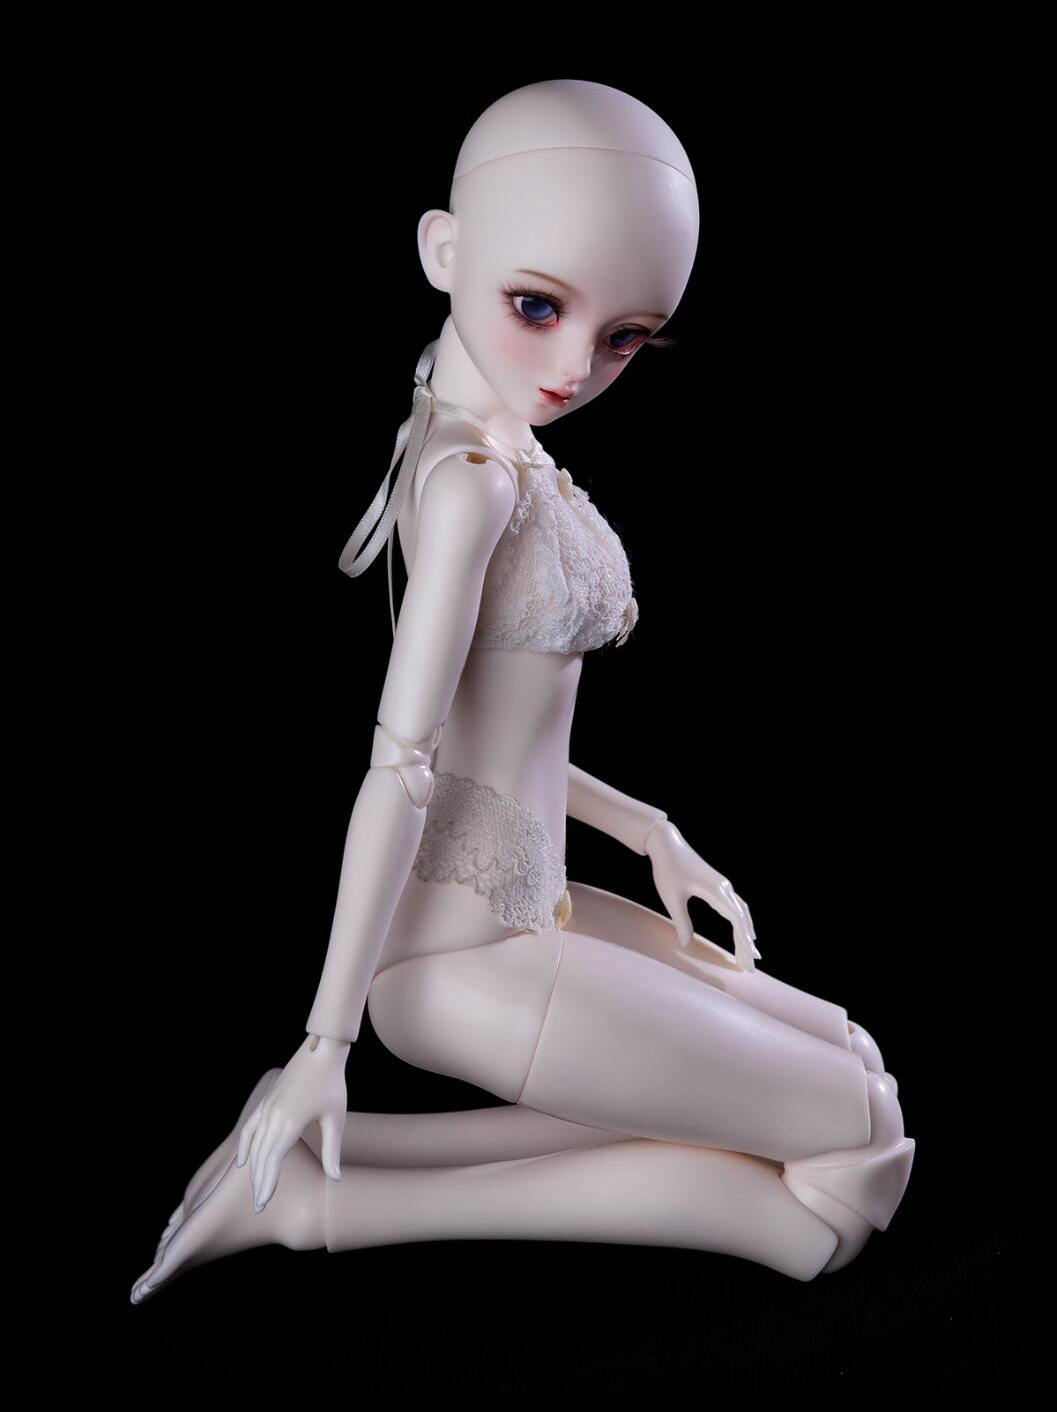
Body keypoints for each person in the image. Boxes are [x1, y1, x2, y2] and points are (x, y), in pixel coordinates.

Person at [131, 80, 914, 1305]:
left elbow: (496, 730)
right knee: (842, 1180)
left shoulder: (502, 442)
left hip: (529, 900)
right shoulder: (470, 484)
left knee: (857, 1066)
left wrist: (648, 830)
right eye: (537, 306)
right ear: (445, 252)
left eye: (625, 337)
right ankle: (325, 1206)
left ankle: (319, 1162)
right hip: (466, 959)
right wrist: (325, 1040)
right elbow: (400, 764)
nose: (574, 365)